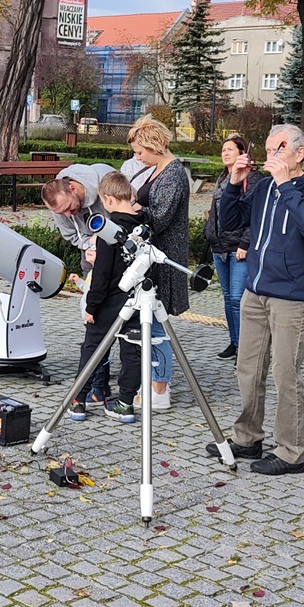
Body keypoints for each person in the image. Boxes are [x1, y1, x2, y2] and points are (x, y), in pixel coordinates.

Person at [211, 123, 304, 476]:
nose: (270, 157)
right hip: (256, 290)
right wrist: (233, 184)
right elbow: (230, 221)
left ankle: (291, 452)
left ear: (299, 153)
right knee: (248, 368)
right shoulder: (263, 187)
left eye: (278, 149)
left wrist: (286, 185)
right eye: (267, 150)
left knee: (285, 373)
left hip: (290, 296)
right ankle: (247, 437)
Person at [104, 116, 192, 421]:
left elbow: (160, 218)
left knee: (156, 325)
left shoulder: (173, 174)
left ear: (155, 146)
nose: (137, 157)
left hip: (163, 257)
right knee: (152, 324)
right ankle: (154, 382)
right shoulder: (158, 170)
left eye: (140, 151)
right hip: (152, 255)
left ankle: (160, 388)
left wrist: (133, 210)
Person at [42, 162, 120, 405]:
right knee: (94, 323)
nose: (68, 215)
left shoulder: (102, 179)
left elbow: (124, 215)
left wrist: (104, 244)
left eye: (68, 209)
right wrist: (89, 244)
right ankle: (99, 385)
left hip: (117, 258)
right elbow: (71, 235)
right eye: (61, 213)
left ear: (74, 189)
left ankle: (121, 384)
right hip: (92, 258)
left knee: (115, 323)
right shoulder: (60, 203)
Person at [68, 172, 142, 420]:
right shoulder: (144, 227)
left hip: (109, 302)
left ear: (108, 199)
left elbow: (101, 274)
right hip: (136, 300)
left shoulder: (108, 232)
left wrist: (91, 306)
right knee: (132, 352)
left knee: (93, 349)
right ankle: (125, 402)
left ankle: (78, 400)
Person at [205, 134, 255, 360]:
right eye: (223, 150)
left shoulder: (251, 178)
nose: (225, 153)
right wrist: (209, 233)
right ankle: (234, 343)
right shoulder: (223, 176)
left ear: (242, 153)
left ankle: (245, 349)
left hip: (238, 248)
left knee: (237, 298)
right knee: (227, 297)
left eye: (230, 150)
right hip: (220, 246)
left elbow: (254, 214)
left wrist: (246, 242)